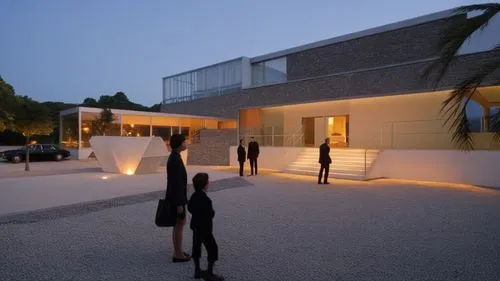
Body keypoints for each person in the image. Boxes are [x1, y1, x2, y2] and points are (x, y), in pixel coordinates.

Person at [188, 173, 224, 281]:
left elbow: (190, 208)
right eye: (208, 182)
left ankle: (197, 270)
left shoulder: (193, 196)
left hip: (195, 226)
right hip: (205, 229)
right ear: (204, 185)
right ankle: (209, 273)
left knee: (196, 247)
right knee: (213, 248)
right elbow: (210, 214)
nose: (209, 183)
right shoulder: (206, 200)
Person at [166, 134, 191, 263]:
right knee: (179, 224)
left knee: (178, 225)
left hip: (176, 197)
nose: (186, 143)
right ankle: (178, 254)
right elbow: (175, 183)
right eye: (185, 142)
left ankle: (178, 251)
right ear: (180, 144)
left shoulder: (175, 157)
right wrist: (179, 204)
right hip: (177, 199)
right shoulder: (175, 160)